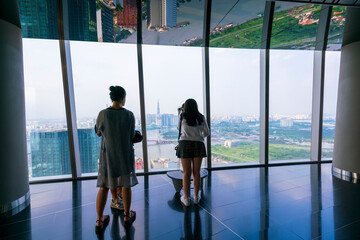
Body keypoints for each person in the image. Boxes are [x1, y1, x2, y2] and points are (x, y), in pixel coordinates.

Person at [95, 86, 138, 233]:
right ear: (122, 98)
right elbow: (132, 135)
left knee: (104, 187)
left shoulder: (103, 114)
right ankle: (126, 215)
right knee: (126, 185)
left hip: (108, 155)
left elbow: (98, 132)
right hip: (125, 154)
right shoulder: (129, 115)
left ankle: (99, 220)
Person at [177, 98, 210, 206]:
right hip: (198, 145)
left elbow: (179, 128)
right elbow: (207, 132)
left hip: (185, 143)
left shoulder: (182, 116)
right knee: (196, 172)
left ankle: (186, 198)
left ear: (185, 106)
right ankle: (196, 197)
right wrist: (199, 136)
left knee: (186, 173)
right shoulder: (201, 117)